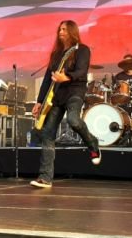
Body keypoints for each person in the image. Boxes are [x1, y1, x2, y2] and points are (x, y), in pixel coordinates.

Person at [30, 20, 101, 189]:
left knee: (73, 120)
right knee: (47, 133)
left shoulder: (82, 49)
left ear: (72, 31)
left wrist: (66, 77)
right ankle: (45, 178)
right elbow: (47, 79)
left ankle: (92, 143)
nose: (60, 32)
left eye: (64, 29)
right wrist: (39, 102)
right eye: (59, 29)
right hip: (57, 96)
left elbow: (81, 71)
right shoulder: (56, 55)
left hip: (75, 92)